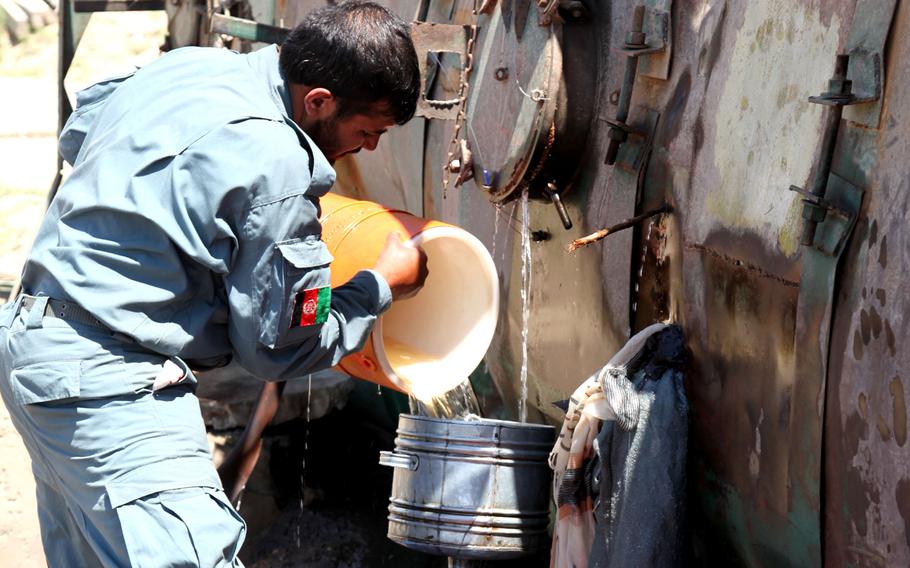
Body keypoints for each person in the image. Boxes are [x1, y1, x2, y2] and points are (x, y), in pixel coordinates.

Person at [0, 2, 427, 566]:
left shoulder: (190, 67)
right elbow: (277, 349)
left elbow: (81, 133)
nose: (368, 148)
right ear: (319, 100)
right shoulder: (278, 164)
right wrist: (375, 287)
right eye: (367, 131)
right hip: (112, 383)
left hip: (35, 346)